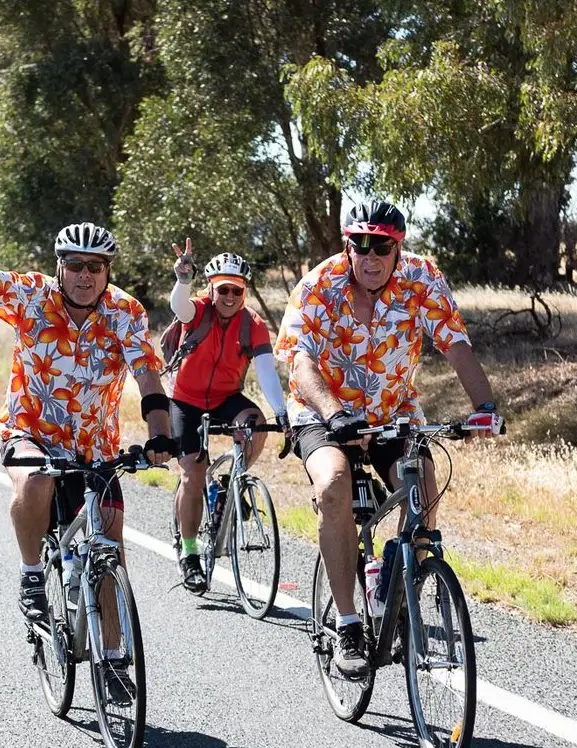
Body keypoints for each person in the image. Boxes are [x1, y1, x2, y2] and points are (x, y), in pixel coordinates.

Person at [0, 173, 175, 701]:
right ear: (59, 266)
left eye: (95, 267)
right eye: (75, 265)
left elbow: (147, 377)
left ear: (107, 272)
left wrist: (161, 435)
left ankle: (114, 662)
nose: (85, 276)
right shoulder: (32, 296)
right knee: (37, 481)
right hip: (30, 432)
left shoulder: (126, 313)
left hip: (93, 448)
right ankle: (30, 575)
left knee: (110, 548)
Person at [274, 200, 503, 679]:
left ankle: (397, 587)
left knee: (423, 485)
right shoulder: (319, 284)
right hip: (323, 411)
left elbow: (454, 343)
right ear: (348, 246)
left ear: (398, 248)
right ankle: (348, 625)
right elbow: (301, 361)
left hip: (391, 412)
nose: (370, 256)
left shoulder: (422, 278)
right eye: (360, 245)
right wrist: (335, 414)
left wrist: (484, 407)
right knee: (333, 486)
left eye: (382, 246)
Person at [166, 240, 289, 593]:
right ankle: (190, 552)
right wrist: (183, 280)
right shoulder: (197, 311)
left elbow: (266, 372)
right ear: (211, 289)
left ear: (245, 292)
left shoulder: (253, 324)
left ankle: (229, 483)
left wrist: (282, 413)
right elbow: (179, 306)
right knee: (193, 475)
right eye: (223, 290)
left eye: (237, 290)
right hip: (186, 400)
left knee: (256, 425)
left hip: (225, 398)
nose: (230, 297)